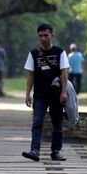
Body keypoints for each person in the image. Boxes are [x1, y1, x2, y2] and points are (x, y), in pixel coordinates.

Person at [22, 23, 69, 162]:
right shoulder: (34, 54)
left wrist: (64, 92)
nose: (43, 38)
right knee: (37, 122)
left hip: (56, 94)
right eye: (40, 36)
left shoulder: (60, 52)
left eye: (46, 35)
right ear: (38, 37)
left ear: (52, 36)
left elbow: (64, 73)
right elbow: (30, 74)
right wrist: (27, 94)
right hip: (40, 95)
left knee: (57, 123)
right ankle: (35, 150)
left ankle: (56, 151)